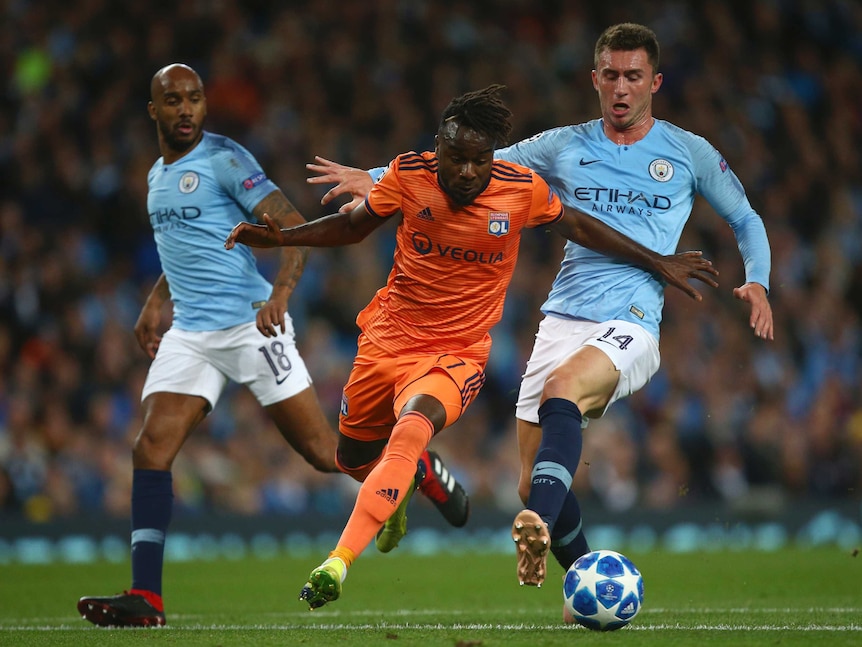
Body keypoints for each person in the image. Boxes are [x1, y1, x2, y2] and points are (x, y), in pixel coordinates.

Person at [303, 22, 773, 607]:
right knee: (534, 478)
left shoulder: (687, 151)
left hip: (631, 318)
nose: (621, 88)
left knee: (561, 391)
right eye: (611, 76)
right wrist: (374, 178)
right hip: (562, 316)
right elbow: (471, 163)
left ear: (655, 81)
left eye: (633, 76)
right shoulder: (564, 145)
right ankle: (585, 581)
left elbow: (746, 218)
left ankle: (536, 526)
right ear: (594, 79)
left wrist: (757, 280)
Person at [225, 84, 719, 610]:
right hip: (387, 339)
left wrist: (656, 261)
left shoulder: (520, 188)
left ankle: (338, 562)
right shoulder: (407, 175)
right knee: (349, 458)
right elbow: (352, 228)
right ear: (437, 150)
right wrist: (284, 239)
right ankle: (421, 477)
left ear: (491, 159)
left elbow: (576, 224)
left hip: (457, 353)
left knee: (411, 430)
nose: (466, 172)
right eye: (456, 159)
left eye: (478, 161)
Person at [76, 63, 469, 628]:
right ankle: (147, 599)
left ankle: (422, 469)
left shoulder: (226, 159)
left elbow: (290, 228)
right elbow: (187, 248)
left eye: (193, 98)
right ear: (153, 111)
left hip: (251, 325)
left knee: (324, 453)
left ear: (204, 105)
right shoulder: (156, 177)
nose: (185, 109)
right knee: (150, 448)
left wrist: (279, 296)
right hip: (190, 333)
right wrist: (156, 300)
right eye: (173, 100)